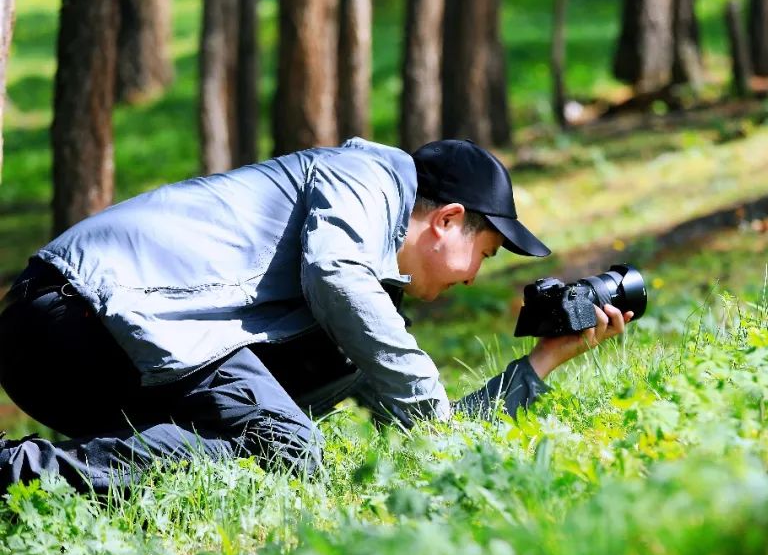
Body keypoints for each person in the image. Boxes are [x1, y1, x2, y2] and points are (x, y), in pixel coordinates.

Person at [0, 138, 631, 493]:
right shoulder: (368, 176)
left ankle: (43, 478)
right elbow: (333, 274)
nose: (471, 278)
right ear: (446, 220)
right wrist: (424, 396)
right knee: (286, 449)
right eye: (483, 255)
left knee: (275, 447)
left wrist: (545, 362)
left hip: (112, 351)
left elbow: (428, 435)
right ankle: (13, 474)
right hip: (73, 314)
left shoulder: (367, 299)